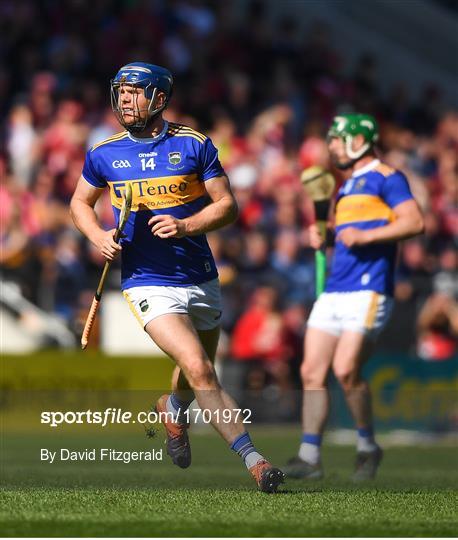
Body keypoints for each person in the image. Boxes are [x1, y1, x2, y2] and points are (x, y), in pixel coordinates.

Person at [70, 62, 284, 493]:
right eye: (121, 92)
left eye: (136, 92)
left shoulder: (193, 144)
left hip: (200, 276)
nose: (125, 99)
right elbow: (79, 202)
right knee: (201, 368)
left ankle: (173, 409)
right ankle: (256, 462)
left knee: (191, 374)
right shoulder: (104, 153)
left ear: (160, 99)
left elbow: (228, 206)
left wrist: (186, 226)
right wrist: (97, 234)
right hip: (146, 280)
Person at [284, 114, 424, 481]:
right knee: (311, 371)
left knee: (346, 370)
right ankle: (310, 455)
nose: (332, 148)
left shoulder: (388, 177)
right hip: (334, 290)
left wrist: (367, 238)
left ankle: (367, 445)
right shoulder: (346, 187)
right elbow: (345, 232)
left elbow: (414, 222)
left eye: (337, 140)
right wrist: (325, 236)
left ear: (358, 141)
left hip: (369, 290)